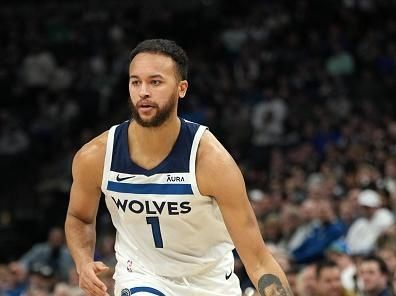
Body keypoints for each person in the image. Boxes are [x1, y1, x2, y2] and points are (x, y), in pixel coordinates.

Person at [64, 39, 292, 296]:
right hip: (142, 275)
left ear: (181, 88)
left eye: (155, 82)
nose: (143, 91)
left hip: (211, 282)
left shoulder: (211, 161)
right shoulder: (96, 156)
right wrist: (83, 262)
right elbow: (79, 218)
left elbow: (259, 260)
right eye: (135, 81)